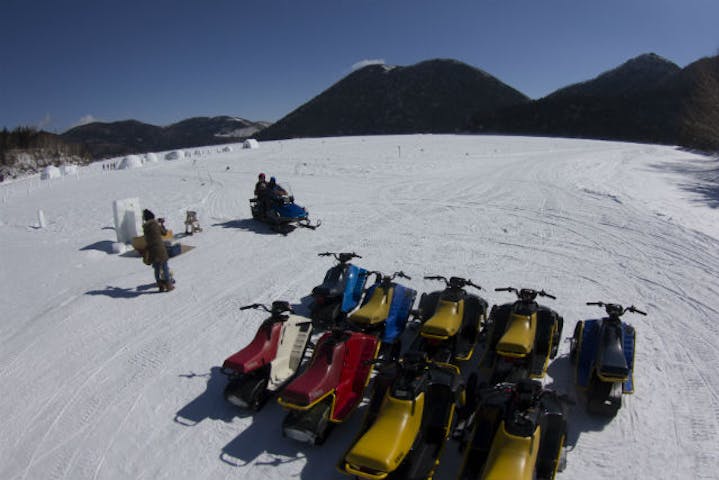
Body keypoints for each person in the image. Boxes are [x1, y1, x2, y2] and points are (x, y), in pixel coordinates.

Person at [142, 209, 174, 292]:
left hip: (152, 250)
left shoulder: (145, 227)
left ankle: (160, 286)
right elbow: (164, 233)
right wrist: (162, 224)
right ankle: (168, 285)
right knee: (164, 266)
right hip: (160, 249)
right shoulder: (156, 224)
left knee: (156, 268)